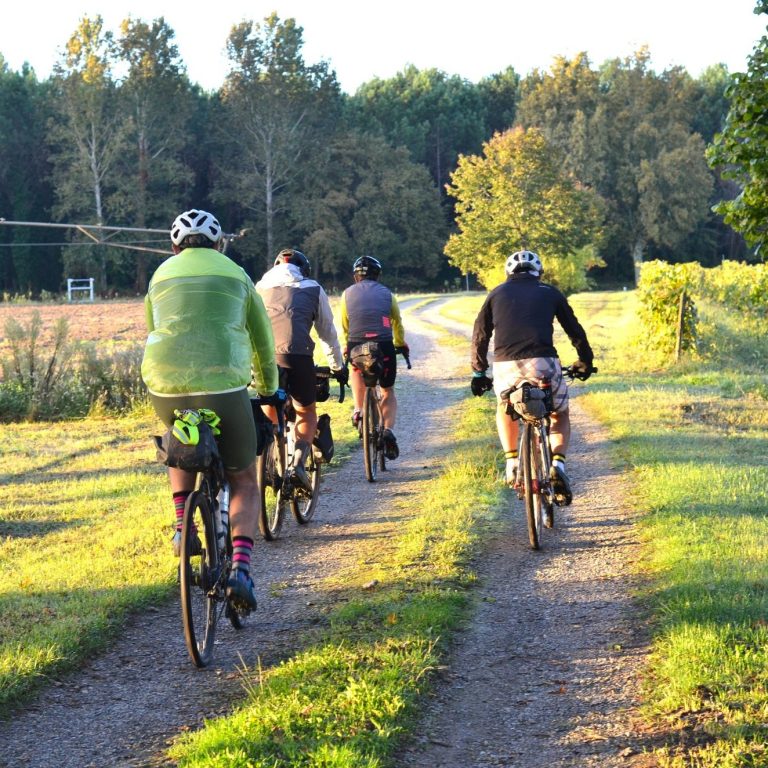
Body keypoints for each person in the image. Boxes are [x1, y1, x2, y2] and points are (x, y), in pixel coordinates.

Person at [141, 208, 279, 613]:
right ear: (219, 244)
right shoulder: (237, 274)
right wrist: (269, 389)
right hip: (224, 387)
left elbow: (154, 327)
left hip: (163, 385)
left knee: (180, 439)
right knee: (243, 479)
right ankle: (240, 569)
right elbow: (262, 341)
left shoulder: (159, 275)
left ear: (174, 246)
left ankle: (182, 525)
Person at [470, 250, 594, 505]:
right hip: (543, 363)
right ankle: (557, 465)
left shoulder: (496, 294)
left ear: (509, 274)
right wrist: (585, 360)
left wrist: (479, 372)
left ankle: (512, 460)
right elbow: (575, 330)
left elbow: (480, 335)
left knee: (505, 407)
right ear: (539, 272)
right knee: (559, 413)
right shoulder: (550, 292)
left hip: (506, 366)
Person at [255, 248, 347, 491]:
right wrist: (338, 367)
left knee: (269, 413)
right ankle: (296, 463)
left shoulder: (259, 288)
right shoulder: (313, 288)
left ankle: (272, 455)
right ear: (303, 269)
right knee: (306, 412)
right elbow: (328, 334)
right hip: (298, 355)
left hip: (265, 359)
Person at [340, 255, 407, 459]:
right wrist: (400, 343)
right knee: (387, 390)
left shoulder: (346, 294)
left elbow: (345, 322)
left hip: (356, 343)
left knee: (356, 370)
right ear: (377, 275)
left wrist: (346, 344)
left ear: (355, 276)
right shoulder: (387, 294)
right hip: (384, 346)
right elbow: (396, 322)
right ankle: (387, 430)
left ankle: (359, 410)